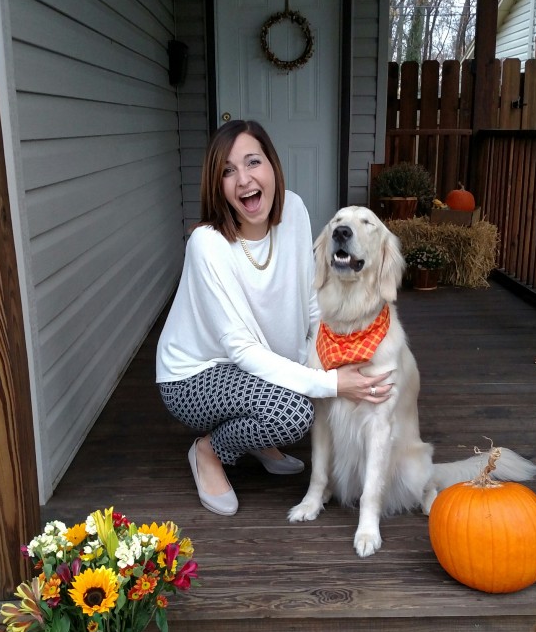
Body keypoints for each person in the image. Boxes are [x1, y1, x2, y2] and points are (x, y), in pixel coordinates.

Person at [156, 120, 392, 516]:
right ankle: (209, 451)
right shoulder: (207, 244)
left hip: (250, 363)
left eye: (253, 162)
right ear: (218, 186)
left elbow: (312, 301)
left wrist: (336, 358)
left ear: (272, 166)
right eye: (228, 171)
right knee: (294, 412)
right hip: (193, 375)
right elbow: (241, 348)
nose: (243, 179)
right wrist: (331, 382)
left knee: (307, 389)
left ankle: (256, 436)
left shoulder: (294, 210)